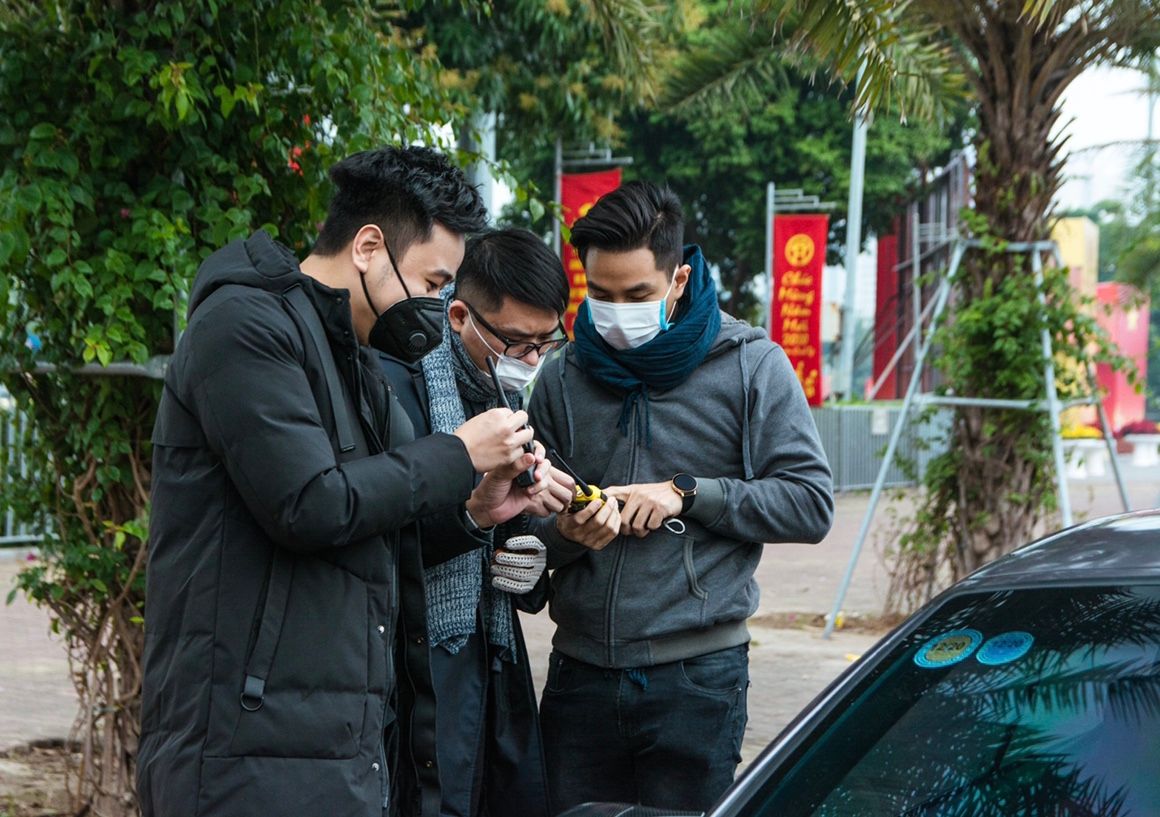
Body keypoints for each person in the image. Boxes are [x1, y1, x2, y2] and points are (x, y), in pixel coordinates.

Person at [138, 146, 555, 817]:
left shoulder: (355, 359)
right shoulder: (244, 327)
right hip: (242, 747)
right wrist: (459, 452)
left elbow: (378, 526)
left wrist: (476, 511)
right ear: (368, 247)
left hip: (338, 741)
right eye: (432, 282)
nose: (436, 305)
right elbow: (309, 504)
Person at [527, 181, 835, 813]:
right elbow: (522, 531)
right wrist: (564, 536)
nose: (616, 313)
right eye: (601, 294)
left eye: (637, 295)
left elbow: (810, 503)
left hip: (697, 680)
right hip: (578, 676)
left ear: (678, 279)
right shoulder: (561, 376)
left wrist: (688, 495)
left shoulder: (751, 364)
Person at [380, 228, 574, 817]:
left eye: (546, 342)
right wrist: (472, 514)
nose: (532, 361)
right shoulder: (396, 386)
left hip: (490, 660)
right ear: (460, 314)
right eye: (517, 343)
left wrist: (538, 544)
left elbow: (511, 557)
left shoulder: (507, 398)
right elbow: (380, 539)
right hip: (414, 667)